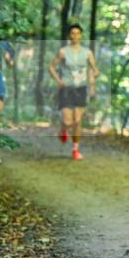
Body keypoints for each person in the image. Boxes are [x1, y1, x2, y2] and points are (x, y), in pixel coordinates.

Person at [48, 24, 99, 161]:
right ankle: (63, 129)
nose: (75, 36)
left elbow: (95, 71)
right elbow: (51, 67)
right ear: (69, 36)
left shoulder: (87, 53)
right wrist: (59, 81)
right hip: (66, 89)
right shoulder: (63, 52)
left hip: (81, 89)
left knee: (77, 120)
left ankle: (75, 149)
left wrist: (92, 81)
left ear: (81, 35)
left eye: (77, 33)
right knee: (68, 121)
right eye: (72, 33)